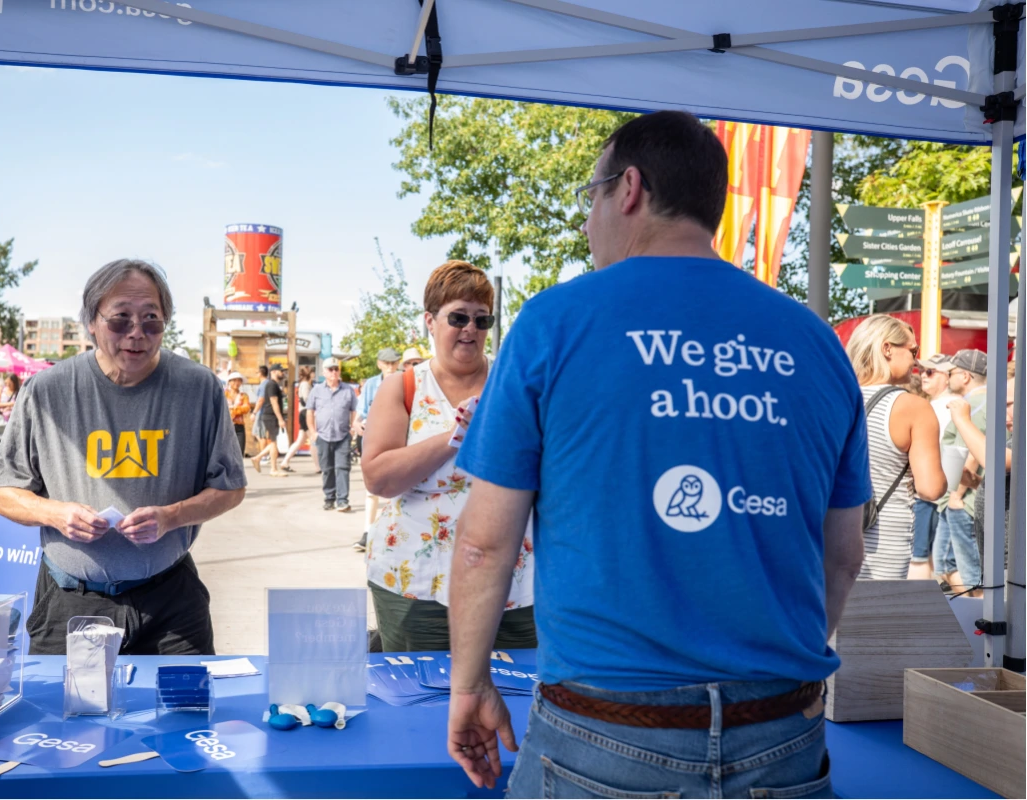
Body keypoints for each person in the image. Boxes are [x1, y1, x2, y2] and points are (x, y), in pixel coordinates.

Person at [444, 111, 871, 797]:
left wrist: (468, 683)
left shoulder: (556, 323)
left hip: (604, 733)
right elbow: (843, 555)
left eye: (592, 196)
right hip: (782, 732)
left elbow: (483, 546)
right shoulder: (816, 342)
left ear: (630, 188)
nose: (589, 221)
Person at [0, 258, 247, 655]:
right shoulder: (47, 391)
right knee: (69, 716)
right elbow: (3, 491)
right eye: (120, 319)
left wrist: (171, 516)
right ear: (91, 321)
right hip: (70, 602)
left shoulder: (199, 389)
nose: (136, 334)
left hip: (171, 603)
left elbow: (229, 487)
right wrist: (56, 514)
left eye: (151, 320)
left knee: (187, 714)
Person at [362, 260, 535, 653]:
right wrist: (455, 436)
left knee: (517, 696)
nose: (470, 329)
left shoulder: (515, 385)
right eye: (458, 317)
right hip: (415, 583)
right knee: (421, 698)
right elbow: (378, 478)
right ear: (430, 320)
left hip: (513, 582)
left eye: (482, 320)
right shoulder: (402, 386)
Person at [844, 316, 946, 580]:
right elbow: (931, 488)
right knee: (874, 619)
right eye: (913, 351)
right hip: (882, 543)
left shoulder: (830, 398)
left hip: (825, 534)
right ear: (887, 348)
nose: (916, 361)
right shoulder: (913, 407)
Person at [934, 349, 989, 595]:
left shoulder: (973, 405)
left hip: (963, 499)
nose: (948, 377)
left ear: (965, 376)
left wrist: (956, 495)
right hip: (966, 497)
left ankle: (972, 625)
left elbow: (971, 450)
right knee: (953, 567)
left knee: (967, 573)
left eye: (952, 372)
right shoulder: (984, 402)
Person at [948, 373, 1014, 579]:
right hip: (1001, 559)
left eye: (1010, 404)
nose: (1005, 413)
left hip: (1014, 564)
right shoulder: (1016, 437)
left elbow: (996, 460)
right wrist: (976, 482)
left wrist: (962, 420)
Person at [908, 353, 957, 579]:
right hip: (935, 493)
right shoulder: (937, 405)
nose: (923, 376)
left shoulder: (946, 407)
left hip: (930, 494)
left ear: (947, 377)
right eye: (921, 371)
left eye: (930, 372)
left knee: (919, 559)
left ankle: (916, 612)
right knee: (930, 560)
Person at [354, 348, 402, 550]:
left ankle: (396, 532)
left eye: (393, 362)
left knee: (400, 488)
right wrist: (357, 425)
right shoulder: (372, 384)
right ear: (379, 364)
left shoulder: (405, 381)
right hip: (374, 439)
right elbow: (360, 414)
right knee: (371, 489)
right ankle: (368, 531)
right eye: (386, 363)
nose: (390, 366)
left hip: (398, 440)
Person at [306, 357, 358, 513]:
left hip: (342, 436)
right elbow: (310, 411)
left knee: (342, 468)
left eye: (336, 369)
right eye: (330, 369)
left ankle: (342, 501)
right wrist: (313, 432)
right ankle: (329, 498)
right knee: (327, 468)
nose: (334, 372)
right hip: (323, 436)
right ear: (324, 372)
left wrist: (352, 430)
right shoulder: (316, 390)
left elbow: (354, 410)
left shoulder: (348, 390)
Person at [279, 366, 319, 473]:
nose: (314, 374)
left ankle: (285, 461)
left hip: (303, 412)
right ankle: (318, 466)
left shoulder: (306, 384)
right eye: (313, 372)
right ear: (309, 374)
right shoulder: (305, 384)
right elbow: (306, 399)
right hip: (306, 413)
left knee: (300, 440)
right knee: (313, 439)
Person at [251, 364, 287, 477]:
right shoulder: (271, 385)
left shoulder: (274, 385)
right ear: (273, 372)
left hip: (271, 416)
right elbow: (273, 402)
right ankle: (273, 469)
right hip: (271, 416)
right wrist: (280, 418)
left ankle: (257, 458)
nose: (283, 373)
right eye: (281, 371)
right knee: (274, 442)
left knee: (273, 442)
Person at [224, 371, 251, 458]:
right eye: (234, 380)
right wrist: (237, 409)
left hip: (239, 427)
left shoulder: (244, 396)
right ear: (229, 382)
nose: (236, 383)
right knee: (226, 452)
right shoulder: (224, 394)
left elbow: (246, 408)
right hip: (225, 426)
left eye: (239, 380)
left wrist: (232, 409)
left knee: (239, 452)